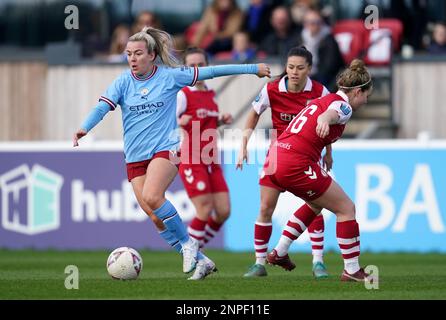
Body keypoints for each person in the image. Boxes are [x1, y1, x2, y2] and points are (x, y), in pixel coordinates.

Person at [73, 26, 271, 280]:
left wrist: (252, 68)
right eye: (129, 54)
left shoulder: (170, 77)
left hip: (166, 149)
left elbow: (212, 71)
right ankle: (201, 261)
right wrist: (84, 128)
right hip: (134, 157)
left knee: (153, 196)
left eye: (138, 53)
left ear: (152, 55)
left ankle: (190, 246)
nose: (132, 59)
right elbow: (102, 108)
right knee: (156, 218)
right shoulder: (123, 82)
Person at [265, 59, 373, 282]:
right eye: (366, 96)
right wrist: (325, 119)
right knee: (346, 208)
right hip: (295, 162)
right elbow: (332, 114)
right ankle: (352, 270)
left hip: (277, 158)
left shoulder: (322, 99)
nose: (366, 101)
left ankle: (280, 252)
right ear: (357, 92)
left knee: (315, 204)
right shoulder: (343, 105)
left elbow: (321, 116)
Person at [237, 46, 331, 279]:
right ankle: (259, 264)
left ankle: (318, 262)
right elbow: (254, 113)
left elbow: (330, 122)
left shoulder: (320, 91)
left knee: (314, 206)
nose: (295, 72)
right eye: (290, 67)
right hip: (278, 155)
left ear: (309, 69)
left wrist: (328, 152)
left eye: (300, 68)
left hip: (309, 156)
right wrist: (243, 145)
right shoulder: (272, 89)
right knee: (265, 208)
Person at [176, 47, 232, 258]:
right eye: (192, 66)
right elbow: (166, 124)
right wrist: (178, 122)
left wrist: (219, 120)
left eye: (201, 65)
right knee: (204, 208)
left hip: (211, 158)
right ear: (185, 69)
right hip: (191, 158)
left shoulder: (209, 94)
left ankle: (196, 248)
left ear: (207, 67)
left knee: (224, 211)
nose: (197, 69)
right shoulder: (183, 94)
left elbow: (204, 123)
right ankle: (191, 255)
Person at [297, 9, 344, 91]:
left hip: (325, 78)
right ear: (305, 24)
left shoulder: (328, 39)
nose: (314, 25)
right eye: (311, 23)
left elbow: (329, 66)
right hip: (305, 75)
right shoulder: (300, 38)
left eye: (318, 22)